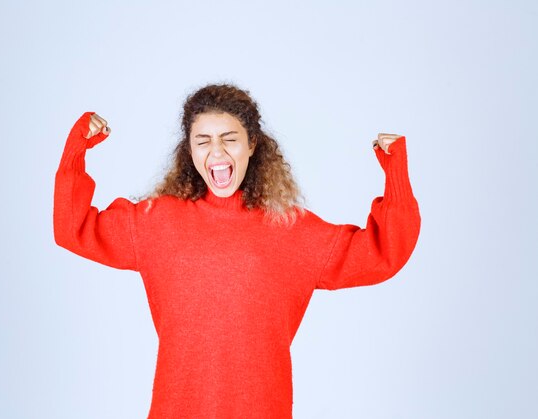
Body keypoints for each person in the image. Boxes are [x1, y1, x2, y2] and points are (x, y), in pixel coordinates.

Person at [53, 83, 421, 418]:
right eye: (203, 140)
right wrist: (75, 152)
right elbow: (73, 228)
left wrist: (396, 173)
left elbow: (383, 252)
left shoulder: (289, 227)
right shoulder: (156, 221)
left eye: (229, 138)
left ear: (252, 145)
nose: (216, 151)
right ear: (189, 149)